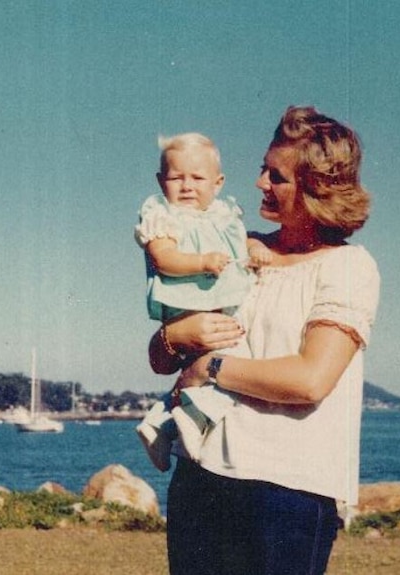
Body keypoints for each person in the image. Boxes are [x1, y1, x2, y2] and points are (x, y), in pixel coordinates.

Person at [148, 106, 380, 575]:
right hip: (200, 478)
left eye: (276, 176)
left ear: (315, 188)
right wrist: (175, 335)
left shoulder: (348, 268)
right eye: (262, 169)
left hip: (285, 493)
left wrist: (210, 368)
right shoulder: (232, 251)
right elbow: (159, 358)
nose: (259, 184)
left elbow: (310, 380)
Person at [134, 132, 272, 472]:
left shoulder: (224, 215)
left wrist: (254, 250)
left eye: (197, 178)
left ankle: (160, 422)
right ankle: (190, 425)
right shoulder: (161, 215)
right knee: (229, 361)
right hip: (188, 304)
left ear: (218, 182)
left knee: (216, 367)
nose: (187, 186)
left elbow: (241, 247)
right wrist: (201, 262)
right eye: (176, 177)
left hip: (219, 303)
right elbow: (164, 258)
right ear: (160, 181)